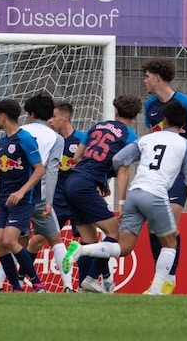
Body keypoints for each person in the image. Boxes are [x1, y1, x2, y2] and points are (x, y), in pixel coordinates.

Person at [64, 101, 187, 295]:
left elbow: (118, 159)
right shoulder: (186, 145)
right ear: (184, 125)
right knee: (170, 243)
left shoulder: (145, 139)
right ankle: (156, 291)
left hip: (135, 193)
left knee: (124, 246)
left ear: (164, 120)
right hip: (155, 194)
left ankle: (83, 252)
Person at [59, 95, 141, 293]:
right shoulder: (130, 137)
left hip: (71, 182)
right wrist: (122, 203)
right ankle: (91, 278)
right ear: (136, 115)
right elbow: (122, 169)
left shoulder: (96, 127)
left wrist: (101, 179)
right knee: (115, 234)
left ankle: (82, 289)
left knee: (89, 241)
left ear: (116, 111)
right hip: (85, 185)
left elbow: (77, 157)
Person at [0, 93, 69, 292]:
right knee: (55, 240)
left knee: (11, 241)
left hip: (17, 195)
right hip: (40, 197)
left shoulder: (17, 132)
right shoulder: (56, 138)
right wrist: (49, 201)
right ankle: (68, 286)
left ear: (31, 113)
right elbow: (50, 171)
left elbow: (9, 166)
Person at [141, 57, 187, 294]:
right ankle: (160, 278)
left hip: (179, 173)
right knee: (153, 227)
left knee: (169, 226)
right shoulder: (150, 106)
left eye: (147, 76)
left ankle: (168, 279)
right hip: (160, 174)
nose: (144, 80)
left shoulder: (186, 103)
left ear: (157, 77)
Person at [0, 99, 46, 292]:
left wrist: (22, 191)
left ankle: (37, 283)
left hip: (24, 200)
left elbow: (40, 169)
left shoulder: (25, 138)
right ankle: (16, 288)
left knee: (9, 240)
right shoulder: (3, 140)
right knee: (0, 243)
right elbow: (5, 169)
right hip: (4, 200)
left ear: (3, 116)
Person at [26, 100, 86, 290]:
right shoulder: (51, 140)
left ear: (65, 117)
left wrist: (104, 182)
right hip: (56, 201)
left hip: (78, 200)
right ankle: (21, 277)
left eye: (54, 117)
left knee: (88, 242)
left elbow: (97, 165)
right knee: (37, 240)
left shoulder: (83, 140)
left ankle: (84, 285)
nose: (50, 121)